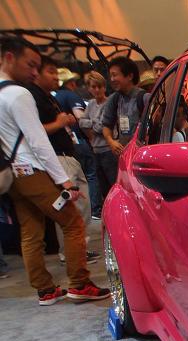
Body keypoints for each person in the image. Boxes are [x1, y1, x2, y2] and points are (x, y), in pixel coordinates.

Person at [0, 36, 108, 304]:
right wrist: (64, 181)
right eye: (31, 64)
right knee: (72, 222)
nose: (34, 72)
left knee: (31, 231)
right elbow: (37, 140)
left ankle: (45, 289)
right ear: (10, 57)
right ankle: (80, 283)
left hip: (14, 174)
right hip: (32, 171)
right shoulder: (18, 94)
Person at [30, 55, 97, 263]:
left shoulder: (48, 97)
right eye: (50, 71)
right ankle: (70, 253)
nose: (55, 76)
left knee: (81, 206)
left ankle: (77, 249)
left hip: (68, 155)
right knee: (70, 208)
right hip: (57, 158)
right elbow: (33, 132)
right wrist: (59, 123)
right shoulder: (32, 97)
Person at [55, 67, 102, 220]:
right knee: (91, 174)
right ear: (71, 83)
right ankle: (95, 210)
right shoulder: (71, 96)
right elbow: (80, 118)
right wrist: (92, 138)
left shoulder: (53, 97)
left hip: (63, 148)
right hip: (79, 142)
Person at [98, 57, 146, 187]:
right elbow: (106, 125)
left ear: (130, 76)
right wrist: (111, 141)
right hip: (124, 157)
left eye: (115, 75)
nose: (112, 79)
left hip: (142, 158)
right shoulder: (114, 99)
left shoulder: (144, 97)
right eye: (111, 76)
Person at [78, 71, 115, 197]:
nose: (97, 90)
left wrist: (91, 124)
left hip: (108, 150)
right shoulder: (91, 103)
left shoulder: (109, 103)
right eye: (93, 87)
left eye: (100, 86)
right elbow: (81, 123)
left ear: (104, 87)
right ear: (89, 88)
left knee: (113, 183)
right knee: (102, 186)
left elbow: (100, 128)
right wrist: (94, 122)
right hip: (95, 150)